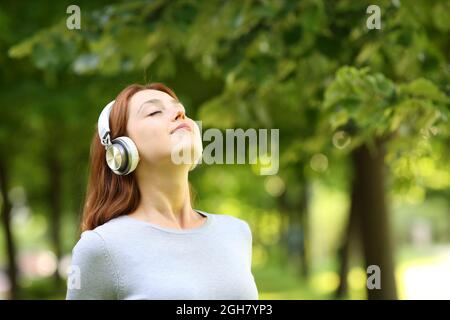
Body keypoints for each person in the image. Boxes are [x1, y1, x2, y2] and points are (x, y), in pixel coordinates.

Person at [66, 83, 259, 300]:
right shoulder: (100, 247)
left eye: (180, 109)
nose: (180, 113)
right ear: (121, 151)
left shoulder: (236, 232)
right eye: (154, 111)